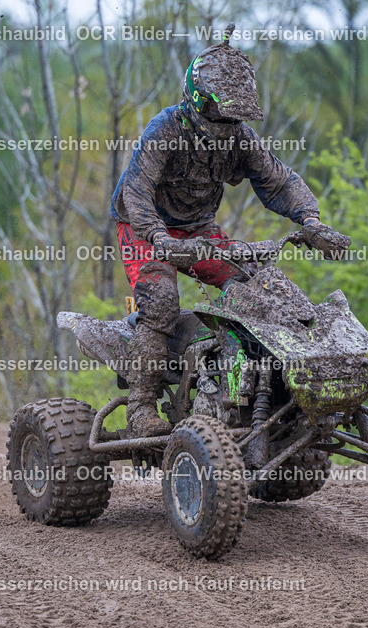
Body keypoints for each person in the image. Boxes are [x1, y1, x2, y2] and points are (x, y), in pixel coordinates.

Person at [110, 25, 352, 437]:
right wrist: (159, 238)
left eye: (236, 116)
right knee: (162, 300)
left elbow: (279, 180)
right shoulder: (164, 132)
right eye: (222, 115)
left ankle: (269, 395)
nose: (229, 125)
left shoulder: (240, 138)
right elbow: (136, 193)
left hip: (199, 230)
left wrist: (311, 221)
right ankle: (141, 409)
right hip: (143, 228)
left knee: (257, 287)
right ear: (198, 102)